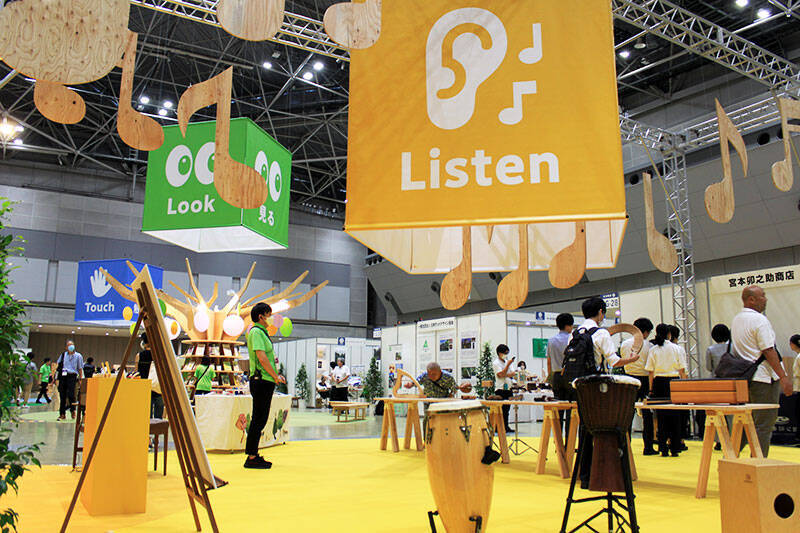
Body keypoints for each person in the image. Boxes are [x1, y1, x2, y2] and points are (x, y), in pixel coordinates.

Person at [576, 296, 641, 488]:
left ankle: (585, 476)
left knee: (585, 429)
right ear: (600, 312)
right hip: (599, 387)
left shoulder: (576, 333)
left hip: (581, 386)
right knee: (607, 429)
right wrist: (632, 360)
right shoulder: (601, 333)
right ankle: (606, 473)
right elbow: (614, 361)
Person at [730, 285, 792, 456]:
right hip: (763, 378)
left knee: (745, 423)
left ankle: (730, 459)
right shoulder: (759, 320)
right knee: (764, 424)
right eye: (762, 296)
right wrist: (783, 376)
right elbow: (768, 350)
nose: (765, 299)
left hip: (746, 378)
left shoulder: (737, 320)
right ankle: (759, 463)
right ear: (751, 299)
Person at [245, 303, 285, 469]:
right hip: (261, 380)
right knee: (258, 418)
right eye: (268, 314)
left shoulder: (262, 333)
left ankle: (253, 454)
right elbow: (261, 358)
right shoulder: (256, 332)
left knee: (261, 418)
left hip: (266, 380)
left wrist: (276, 375)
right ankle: (251, 456)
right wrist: (275, 376)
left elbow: (268, 358)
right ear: (260, 316)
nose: (271, 318)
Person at [646, 323, 688, 457]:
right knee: (675, 416)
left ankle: (663, 447)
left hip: (659, 383)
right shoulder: (677, 348)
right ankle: (675, 448)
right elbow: (682, 370)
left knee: (661, 416)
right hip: (674, 382)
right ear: (669, 334)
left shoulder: (653, 350)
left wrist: (651, 389)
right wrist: (684, 387)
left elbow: (650, 372)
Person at [622, 318, 656, 455]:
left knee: (627, 414)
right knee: (647, 415)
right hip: (644, 380)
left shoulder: (625, 344)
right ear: (646, 332)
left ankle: (626, 446)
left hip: (628, 379)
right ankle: (648, 447)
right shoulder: (650, 346)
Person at [547, 312, 574, 438]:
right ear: (568, 325)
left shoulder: (551, 341)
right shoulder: (573, 339)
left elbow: (549, 361)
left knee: (558, 409)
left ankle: (558, 441)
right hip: (570, 375)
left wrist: (550, 378)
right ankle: (569, 440)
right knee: (570, 409)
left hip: (556, 376)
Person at [56, 340, 84, 420]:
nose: (70, 346)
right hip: (63, 376)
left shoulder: (78, 356)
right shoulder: (63, 355)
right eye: (69, 345)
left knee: (71, 395)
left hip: (72, 376)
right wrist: (56, 378)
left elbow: (80, 368)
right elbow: (58, 365)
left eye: (72, 345)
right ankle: (62, 414)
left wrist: (80, 378)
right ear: (66, 347)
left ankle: (73, 410)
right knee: (62, 395)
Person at [493, 344, 516, 433]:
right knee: (500, 410)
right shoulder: (496, 363)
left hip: (508, 388)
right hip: (500, 389)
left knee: (507, 409)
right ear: (499, 353)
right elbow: (500, 375)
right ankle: (498, 427)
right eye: (505, 353)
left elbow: (512, 373)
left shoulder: (507, 361)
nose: (506, 355)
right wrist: (507, 366)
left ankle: (505, 426)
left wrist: (506, 373)